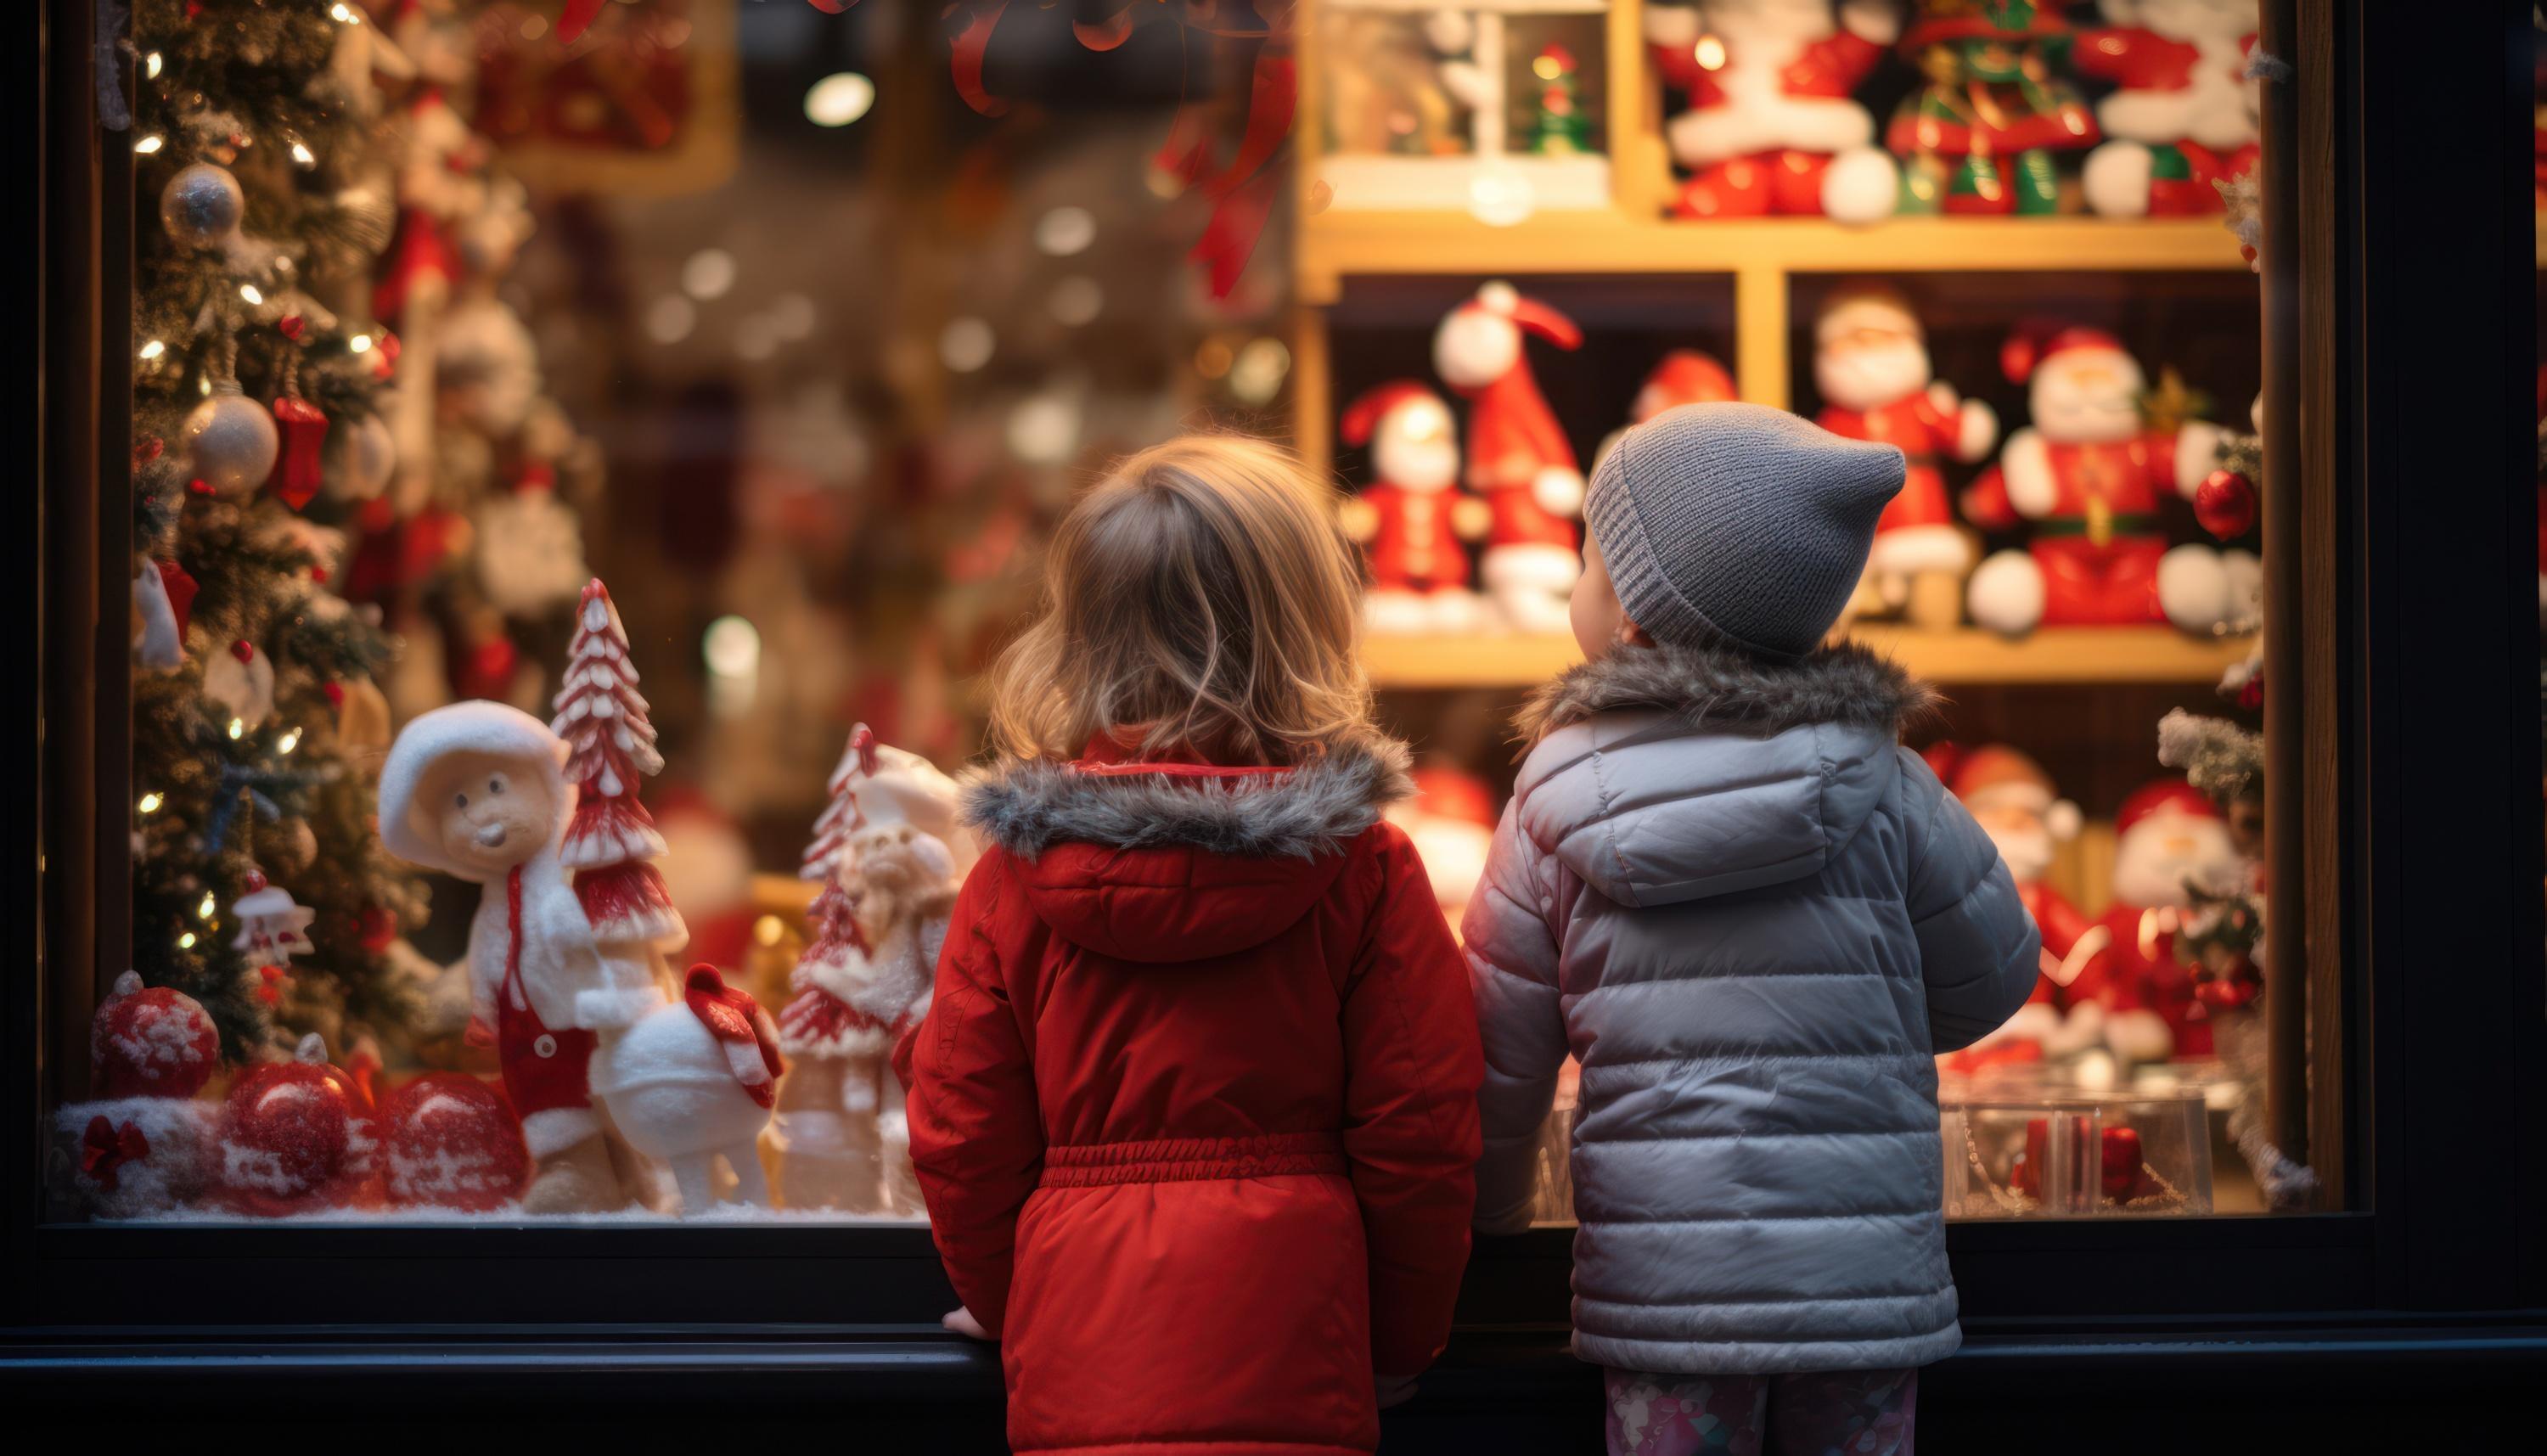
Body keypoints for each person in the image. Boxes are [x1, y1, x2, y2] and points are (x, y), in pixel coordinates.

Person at [1463, 403, 2041, 1456]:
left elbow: (1497, 1055)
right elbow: (1992, 979)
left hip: (1664, 1290)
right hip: (1863, 1284)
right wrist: (1870, 1025)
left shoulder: (1551, 803)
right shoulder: (1892, 786)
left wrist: (1493, 1219)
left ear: (1634, 612)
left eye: (1591, 559)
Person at [903, 436, 1487, 1456]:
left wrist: (1010, 1304)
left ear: (1078, 637)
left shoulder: (1011, 882)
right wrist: (1397, 1342)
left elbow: (961, 1135)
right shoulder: (1367, 868)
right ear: (1309, 624)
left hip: (1080, 1366)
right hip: (1303, 1356)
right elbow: (1422, 1134)